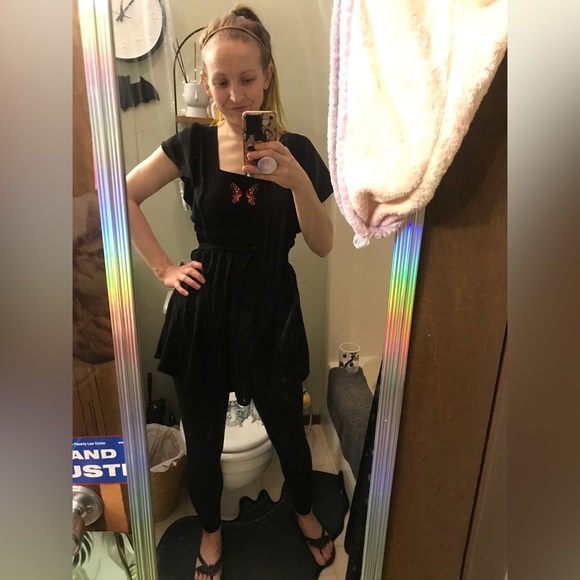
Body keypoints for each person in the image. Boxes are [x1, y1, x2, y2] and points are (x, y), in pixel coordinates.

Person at [126, 5, 334, 579]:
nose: (235, 95)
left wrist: (296, 181)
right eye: (221, 82)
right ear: (205, 81)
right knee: (203, 438)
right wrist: (164, 268)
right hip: (205, 309)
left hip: (271, 309)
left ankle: (303, 510)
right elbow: (122, 194)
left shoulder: (299, 151)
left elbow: (322, 244)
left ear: (267, 75)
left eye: (246, 79)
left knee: (288, 429)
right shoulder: (192, 144)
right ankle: (211, 533)